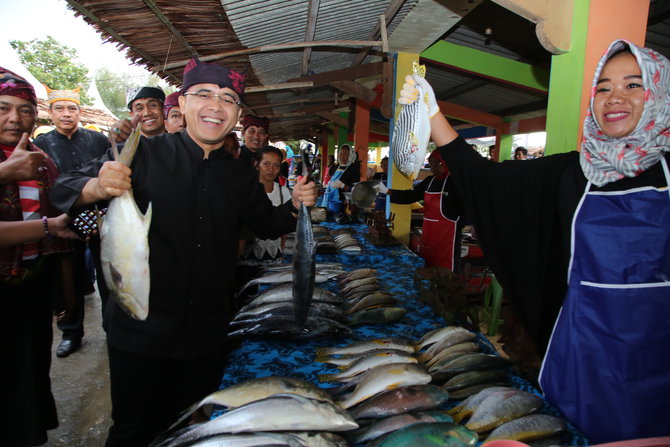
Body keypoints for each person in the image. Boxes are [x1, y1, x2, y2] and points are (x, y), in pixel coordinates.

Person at [398, 40, 670, 442]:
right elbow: (482, 179)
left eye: (634, 85)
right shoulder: (570, 174)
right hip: (579, 358)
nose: (615, 98)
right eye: (604, 87)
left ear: (660, 93)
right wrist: (432, 112)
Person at [50, 57, 316, 447]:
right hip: (140, 326)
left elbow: (265, 222)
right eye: (204, 94)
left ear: (237, 114)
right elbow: (62, 189)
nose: (216, 106)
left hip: (206, 332)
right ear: (183, 104)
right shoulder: (141, 153)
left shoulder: (240, 171)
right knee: (133, 429)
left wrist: (294, 206)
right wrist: (96, 187)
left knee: (189, 427)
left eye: (228, 99)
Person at [0, 67, 78, 447]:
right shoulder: (16, 161)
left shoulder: (42, 160)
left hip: (31, 283)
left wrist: (64, 292)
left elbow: (63, 222)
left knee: (29, 371)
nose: (15, 118)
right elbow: (53, 226)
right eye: (3, 108)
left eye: (25, 110)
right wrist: (4, 172)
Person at [34, 85, 111, 357]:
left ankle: (112, 328)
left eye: (71, 108)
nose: (66, 114)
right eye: (59, 109)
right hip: (62, 223)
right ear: (50, 113)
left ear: (79, 111)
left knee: (108, 278)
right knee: (68, 281)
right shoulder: (40, 145)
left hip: (101, 220)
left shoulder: (98, 141)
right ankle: (71, 332)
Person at [375, 152, 464, 271]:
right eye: (431, 165)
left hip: (447, 239)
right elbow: (409, 196)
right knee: (428, 267)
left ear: (444, 164)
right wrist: (386, 191)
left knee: (445, 273)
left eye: (436, 165)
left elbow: (465, 210)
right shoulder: (429, 181)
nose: (432, 169)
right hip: (428, 234)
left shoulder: (456, 183)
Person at [240, 146, 292, 263]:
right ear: (257, 165)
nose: (271, 169)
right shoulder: (247, 191)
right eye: (266, 164)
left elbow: (285, 225)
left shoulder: (283, 192)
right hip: (247, 256)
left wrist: (282, 247)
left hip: (274, 255)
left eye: (276, 165)